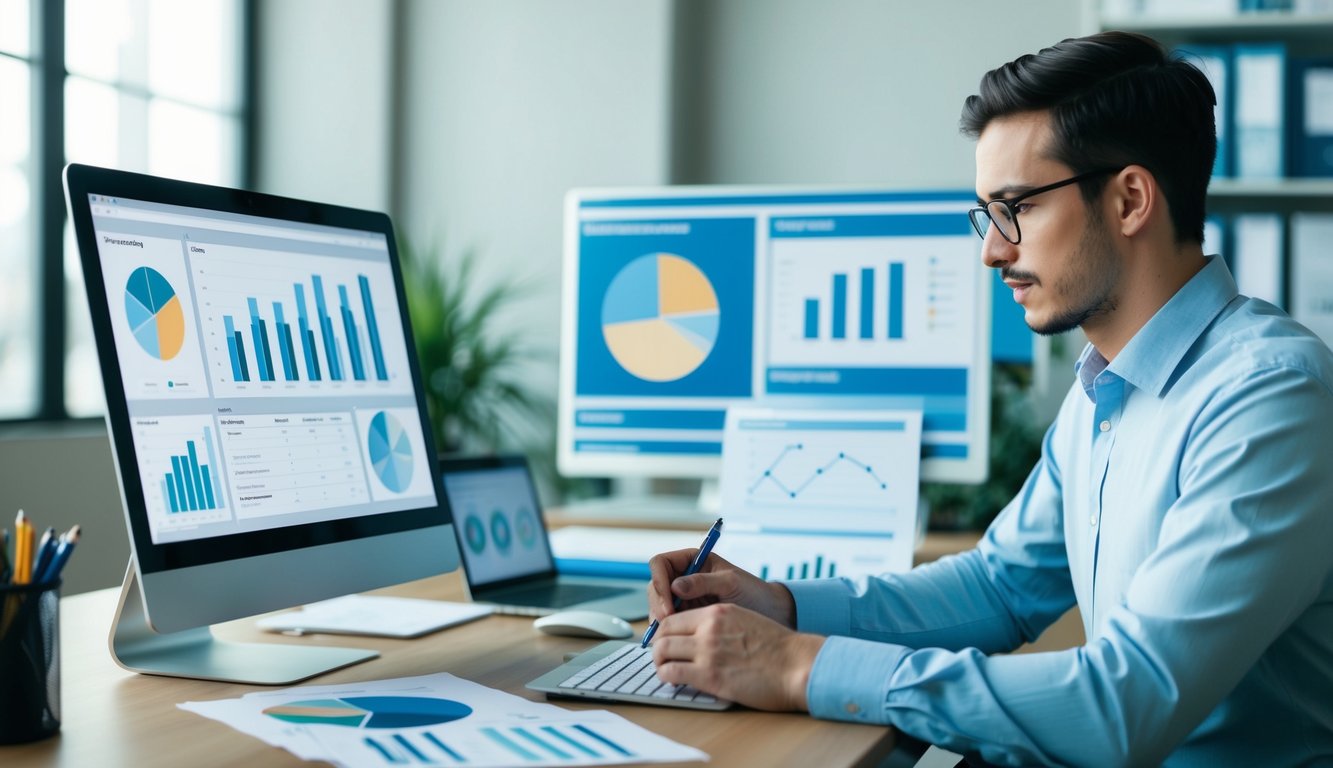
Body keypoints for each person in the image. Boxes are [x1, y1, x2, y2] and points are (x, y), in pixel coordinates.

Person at [646, 31, 1333, 766]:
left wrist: (795, 666)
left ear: (1130, 199)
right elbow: (999, 586)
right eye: (987, 214)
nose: (991, 250)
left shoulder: (1269, 398)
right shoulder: (1105, 386)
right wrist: (780, 608)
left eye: (1016, 208)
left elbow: (1124, 707)